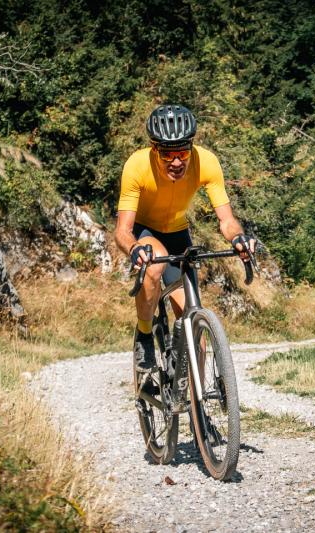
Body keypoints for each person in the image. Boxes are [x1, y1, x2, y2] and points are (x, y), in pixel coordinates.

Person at [114, 104, 255, 373]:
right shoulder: (137, 165)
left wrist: (238, 239)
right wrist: (134, 248)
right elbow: (123, 229)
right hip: (146, 231)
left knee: (194, 331)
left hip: (179, 234)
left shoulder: (207, 162)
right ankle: (144, 334)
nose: (176, 162)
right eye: (167, 154)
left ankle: (195, 408)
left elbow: (226, 220)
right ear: (154, 149)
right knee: (153, 264)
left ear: (191, 146)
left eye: (182, 152)